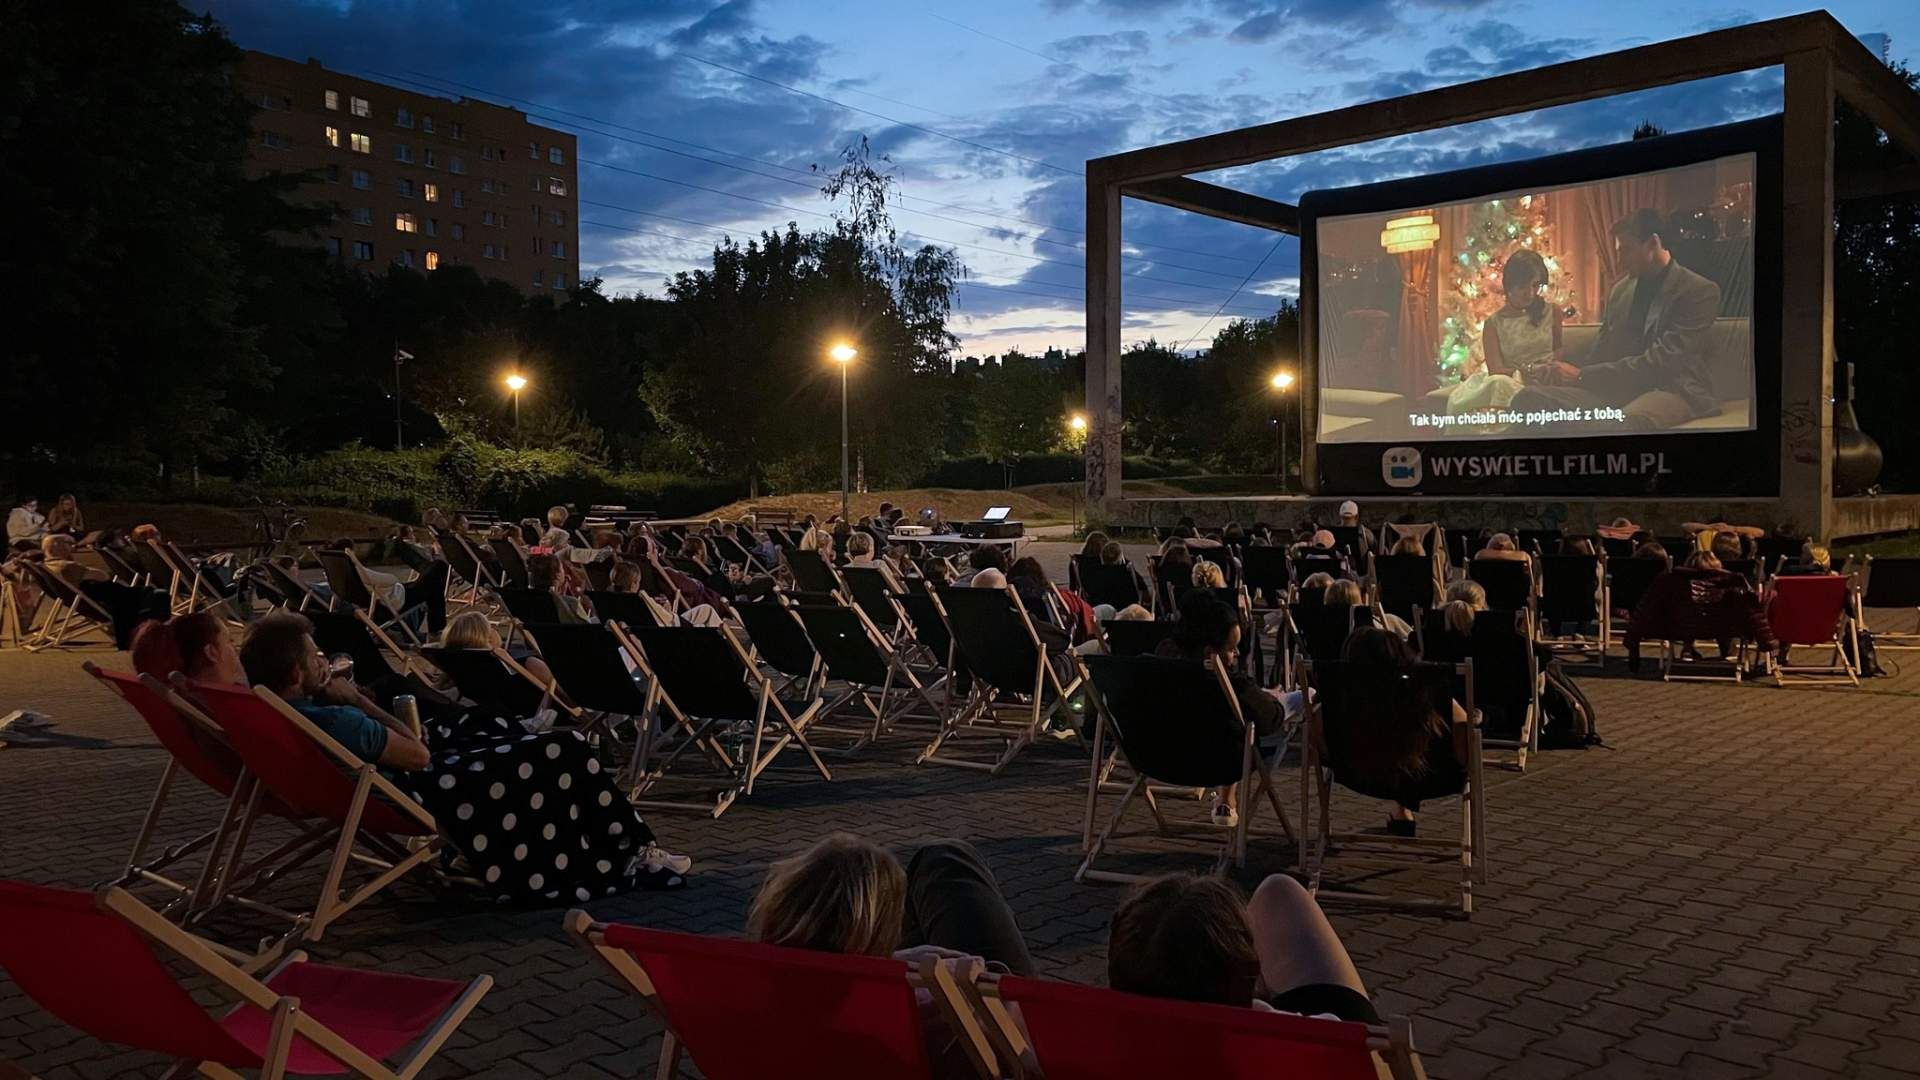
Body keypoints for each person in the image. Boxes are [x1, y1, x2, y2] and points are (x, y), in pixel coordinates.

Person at [240, 612, 688, 897]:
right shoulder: (340, 719)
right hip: (428, 790)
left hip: (385, 786)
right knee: (563, 749)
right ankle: (628, 850)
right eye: (316, 657)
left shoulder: (278, 711)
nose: (324, 662)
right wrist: (357, 700)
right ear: (298, 671)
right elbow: (417, 756)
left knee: (507, 734)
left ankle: (619, 843)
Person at [748, 833, 1032, 1079]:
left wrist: (898, 959)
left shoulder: (745, 999)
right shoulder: (925, 1003)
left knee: (942, 863)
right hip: (996, 1027)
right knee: (947, 859)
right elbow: (1022, 1033)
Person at [1511, 208, 1724, 431]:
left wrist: (1583, 376)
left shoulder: (1698, 291)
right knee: (1528, 399)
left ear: (1653, 243)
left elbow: (1663, 362)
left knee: (1624, 422)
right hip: (1617, 389)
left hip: (1670, 389)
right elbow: (1603, 350)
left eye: (1626, 251)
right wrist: (1563, 373)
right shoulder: (1621, 290)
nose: (1620, 261)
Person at [1107, 873, 1377, 1023]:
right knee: (1281, 890)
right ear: (1245, 973)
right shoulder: (1311, 1040)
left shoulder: (1089, 1048)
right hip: (1254, 1038)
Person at [1155, 591, 1296, 826]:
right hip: (1217, 763)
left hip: (1158, 757)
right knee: (1242, 725)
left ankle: (1226, 800)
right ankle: (1226, 798)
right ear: (1211, 653)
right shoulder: (1234, 684)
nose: (1237, 654)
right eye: (1232, 649)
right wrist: (1274, 699)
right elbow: (1271, 720)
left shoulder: (1156, 667)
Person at [1316, 628, 1469, 836]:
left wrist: (1331, 758)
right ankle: (1402, 809)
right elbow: (1462, 724)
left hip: (1357, 773)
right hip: (1430, 775)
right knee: (1405, 744)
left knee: (1393, 746)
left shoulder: (1339, 699)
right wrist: (1463, 762)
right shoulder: (1423, 691)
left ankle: (1401, 812)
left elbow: (1319, 739)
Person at [1451, 249, 1557, 418]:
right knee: (1498, 383)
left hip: (1547, 382)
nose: (1530, 293)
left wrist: (1550, 370)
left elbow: (1558, 349)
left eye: (1535, 285)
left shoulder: (1552, 312)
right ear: (1509, 286)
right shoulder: (1494, 323)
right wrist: (1523, 373)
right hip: (1512, 383)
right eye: (1523, 286)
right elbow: (1496, 370)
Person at [41, 533, 169, 648]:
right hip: (109, 600)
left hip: (99, 599)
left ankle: (146, 633)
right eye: (69, 544)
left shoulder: (49, 566)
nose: (73, 547)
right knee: (158, 596)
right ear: (55, 547)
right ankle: (156, 638)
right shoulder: (67, 566)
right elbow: (103, 575)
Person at [441, 609, 555, 688]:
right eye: (490, 627)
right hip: (540, 708)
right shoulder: (528, 664)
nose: (495, 627)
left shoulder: (468, 671)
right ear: (488, 640)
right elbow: (566, 698)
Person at [527, 552, 591, 623]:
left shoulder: (527, 601)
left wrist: (561, 596)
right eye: (562, 569)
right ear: (558, 575)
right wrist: (582, 594)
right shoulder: (572, 603)